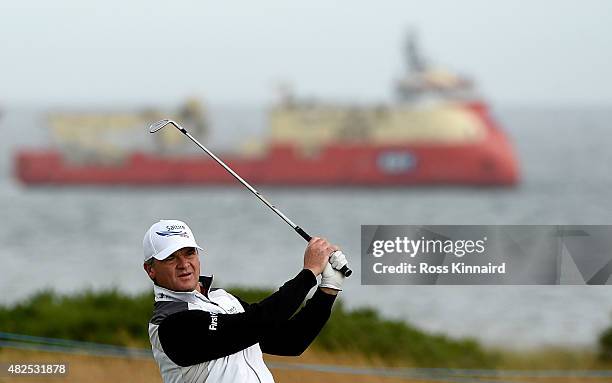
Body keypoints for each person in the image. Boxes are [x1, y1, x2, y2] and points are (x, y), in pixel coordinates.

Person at [143, 219, 347, 383]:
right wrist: (309, 273)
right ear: (150, 269)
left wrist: (328, 289)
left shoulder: (222, 298)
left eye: (189, 253)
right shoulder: (169, 323)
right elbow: (251, 325)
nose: (184, 264)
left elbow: (290, 341)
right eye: (171, 258)